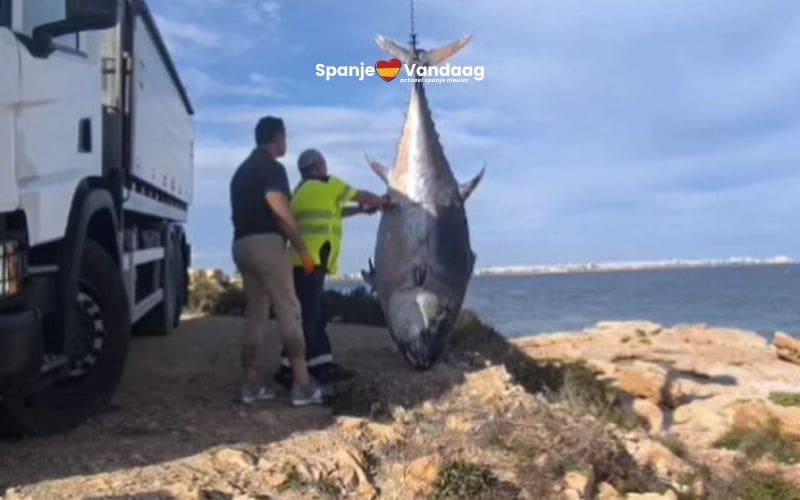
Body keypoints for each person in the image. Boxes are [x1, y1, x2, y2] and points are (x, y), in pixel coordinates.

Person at [274, 149, 390, 392]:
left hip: (298, 260)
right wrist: (383, 201)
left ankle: (307, 364)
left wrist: (359, 210)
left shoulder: (301, 191)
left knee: (310, 312)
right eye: (324, 163)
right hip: (313, 259)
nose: (326, 167)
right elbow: (361, 194)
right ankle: (301, 368)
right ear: (317, 166)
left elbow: (335, 211)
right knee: (311, 315)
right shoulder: (329, 183)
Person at [229, 116, 323, 407]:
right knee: (289, 309)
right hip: (266, 244)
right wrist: (303, 250)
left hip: (241, 244)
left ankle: (250, 384)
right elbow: (280, 211)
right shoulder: (272, 168)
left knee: (256, 312)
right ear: (276, 139)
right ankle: (303, 385)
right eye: (284, 138)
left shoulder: (241, 172)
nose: (286, 143)